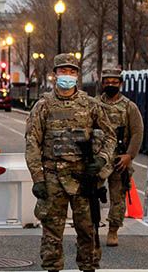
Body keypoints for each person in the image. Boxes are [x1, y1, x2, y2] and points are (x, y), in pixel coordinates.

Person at [25, 53, 116, 272]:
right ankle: (52, 268)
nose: (68, 75)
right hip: (53, 177)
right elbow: (32, 142)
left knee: (88, 229)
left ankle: (88, 267)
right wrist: (38, 178)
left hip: (83, 177)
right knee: (52, 232)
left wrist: (101, 160)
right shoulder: (43, 106)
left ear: (77, 75)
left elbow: (110, 136)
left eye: (72, 71)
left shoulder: (91, 105)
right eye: (63, 71)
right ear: (55, 74)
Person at [96, 68, 143, 247]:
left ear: (120, 84)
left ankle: (113, 230)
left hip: (119, 159)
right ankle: (91, 230)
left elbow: (137, 132)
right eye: (107, 82)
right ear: (102, 83)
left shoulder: (129, 107)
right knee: (90, 195)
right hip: (99, 159)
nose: (111, 85)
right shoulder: (94, 104)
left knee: (118, 196)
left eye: (114, 82)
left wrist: (129, 155)